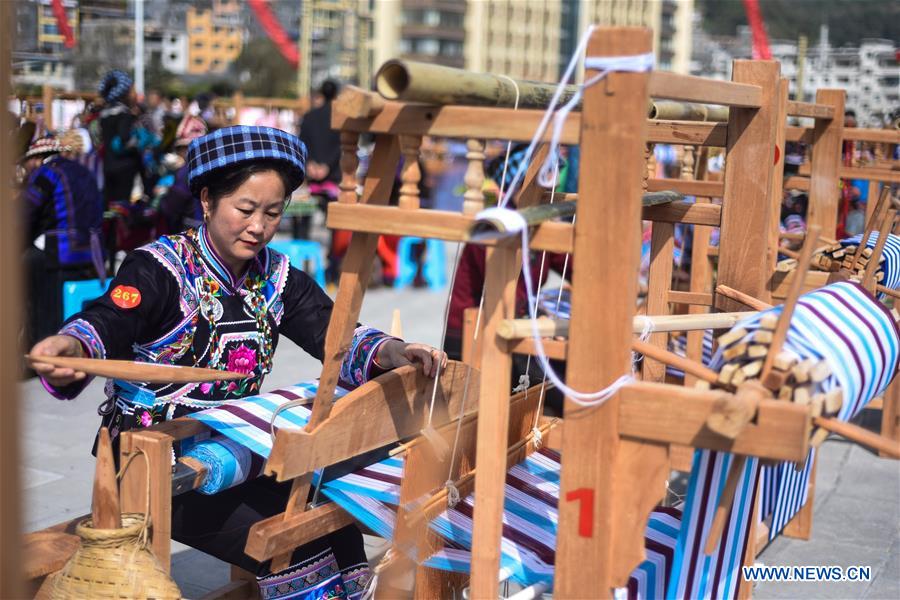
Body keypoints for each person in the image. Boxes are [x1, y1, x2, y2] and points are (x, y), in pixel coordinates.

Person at [29, 125, 447, 598]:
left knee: (338, 531)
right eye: (245, 210)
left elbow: (334, 334)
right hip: (156, 465)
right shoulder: (160, 268)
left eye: (272, 212)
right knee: (294, 548)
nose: (258, 227)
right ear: (207, 200)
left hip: (235, 450)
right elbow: (111, 318)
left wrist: (395, 351)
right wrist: (74, 347)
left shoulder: (276, 276)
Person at [21, 135, 105, 351]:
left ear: (37, 158)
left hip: (56, 255)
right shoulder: (84, 171)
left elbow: (24, 213)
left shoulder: (46, 173)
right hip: (89, 254)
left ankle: (40, 355)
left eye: (26, 162)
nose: (26, 168)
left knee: (44, 314)